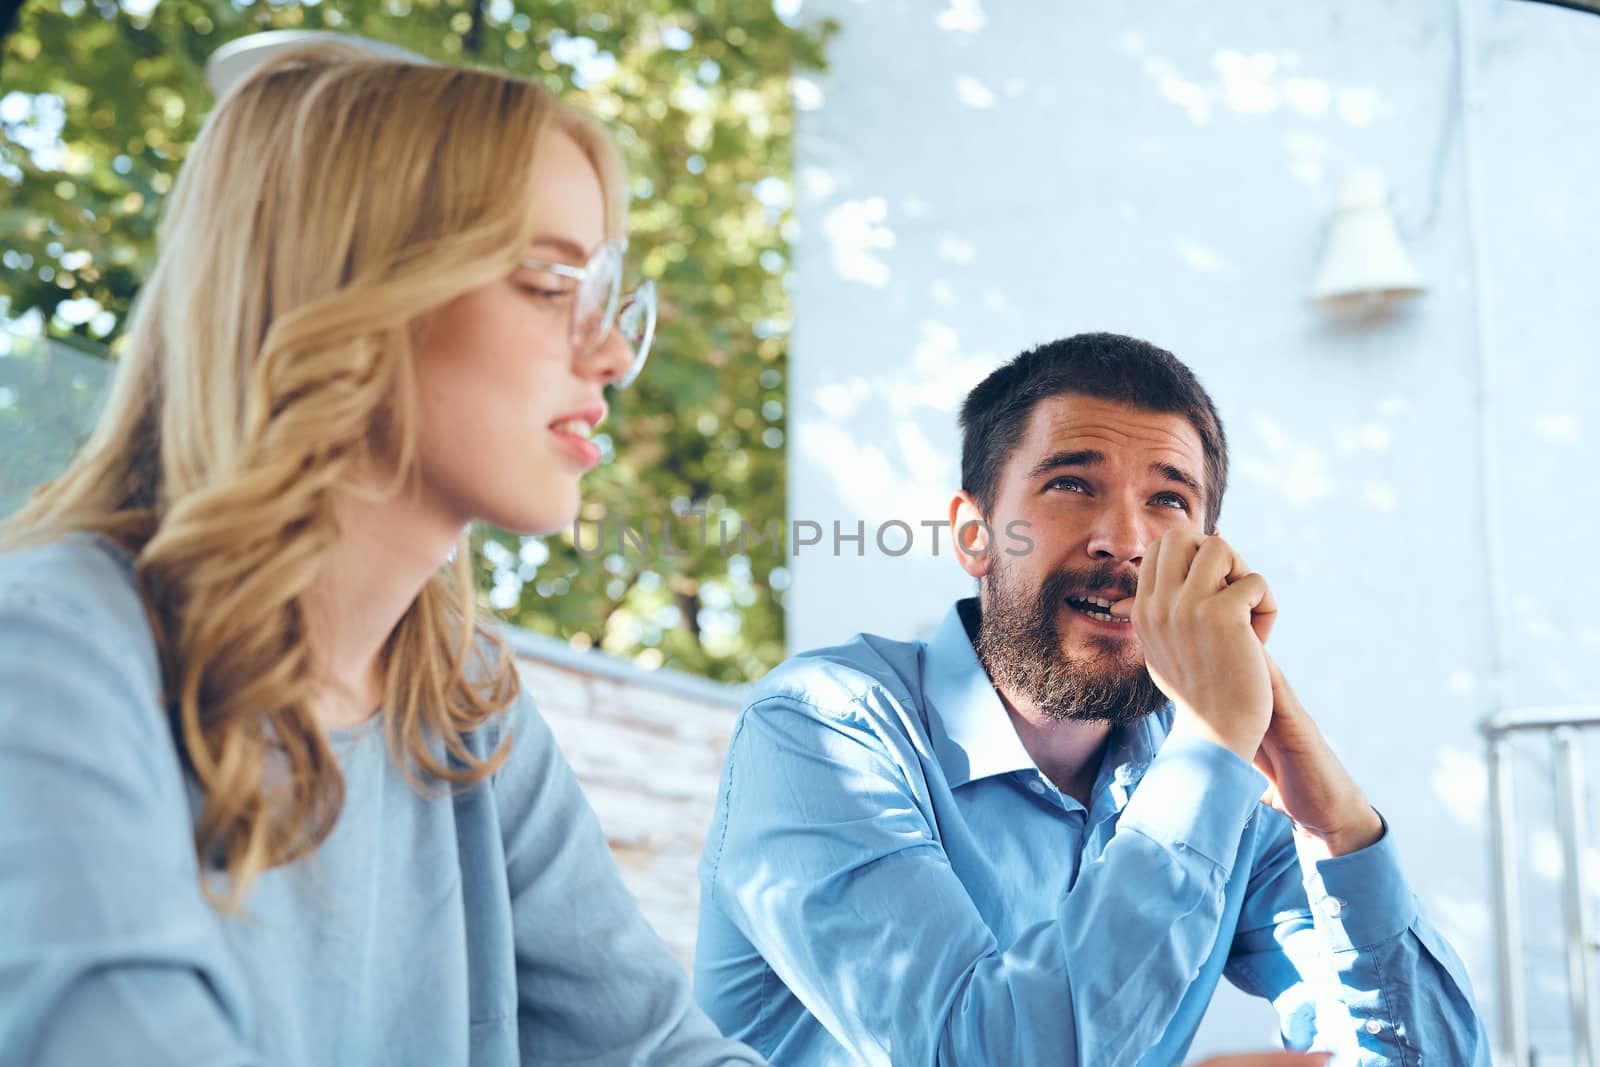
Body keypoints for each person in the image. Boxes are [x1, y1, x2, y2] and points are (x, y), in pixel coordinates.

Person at [0, 41, 760, 1067]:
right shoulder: (48, 651)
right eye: (548, 283)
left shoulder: (457, 691)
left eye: (606, 291)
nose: (613, 353)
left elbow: (654, 1046)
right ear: (344, 298)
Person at [692, 333, 1490, 1065]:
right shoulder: (821, 726)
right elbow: (976, 1051)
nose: (1126, 540)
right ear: (977, 534)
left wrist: (1333, 817)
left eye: (1169, 500)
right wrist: (1213, 741)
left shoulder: (1218, 783)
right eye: (1072, 484)